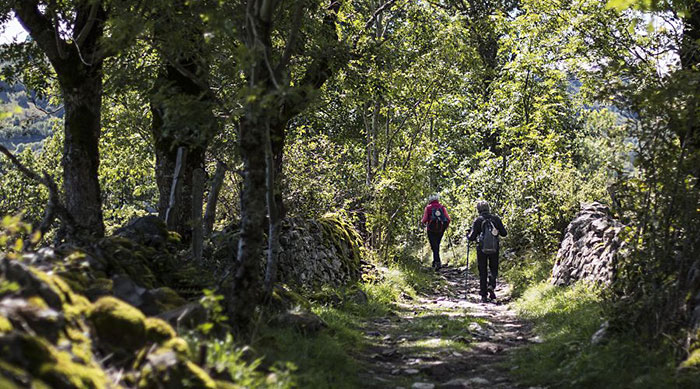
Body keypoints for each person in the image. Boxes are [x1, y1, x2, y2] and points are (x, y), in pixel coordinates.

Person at [467, 200, 507, 303]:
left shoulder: (478, 220)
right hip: (494, 248)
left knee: (482, 270)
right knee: (493, 268)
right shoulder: (496, 219)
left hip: (481, 249)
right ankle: (491, 285)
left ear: (478, 210)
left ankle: (484, 295)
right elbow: (504, 233)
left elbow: (472, 237)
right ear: (488, 209)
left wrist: (468, 234)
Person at [421, 194, 451, 270]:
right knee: (436, 245)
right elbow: (448, 219)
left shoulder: (428, 208)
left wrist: (422, 223)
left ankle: (437, 262)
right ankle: (436, 261)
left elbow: (424, 220)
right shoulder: (442, 207)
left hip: (431, 230)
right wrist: (445, 227)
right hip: (440, 230)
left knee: (434, 246)